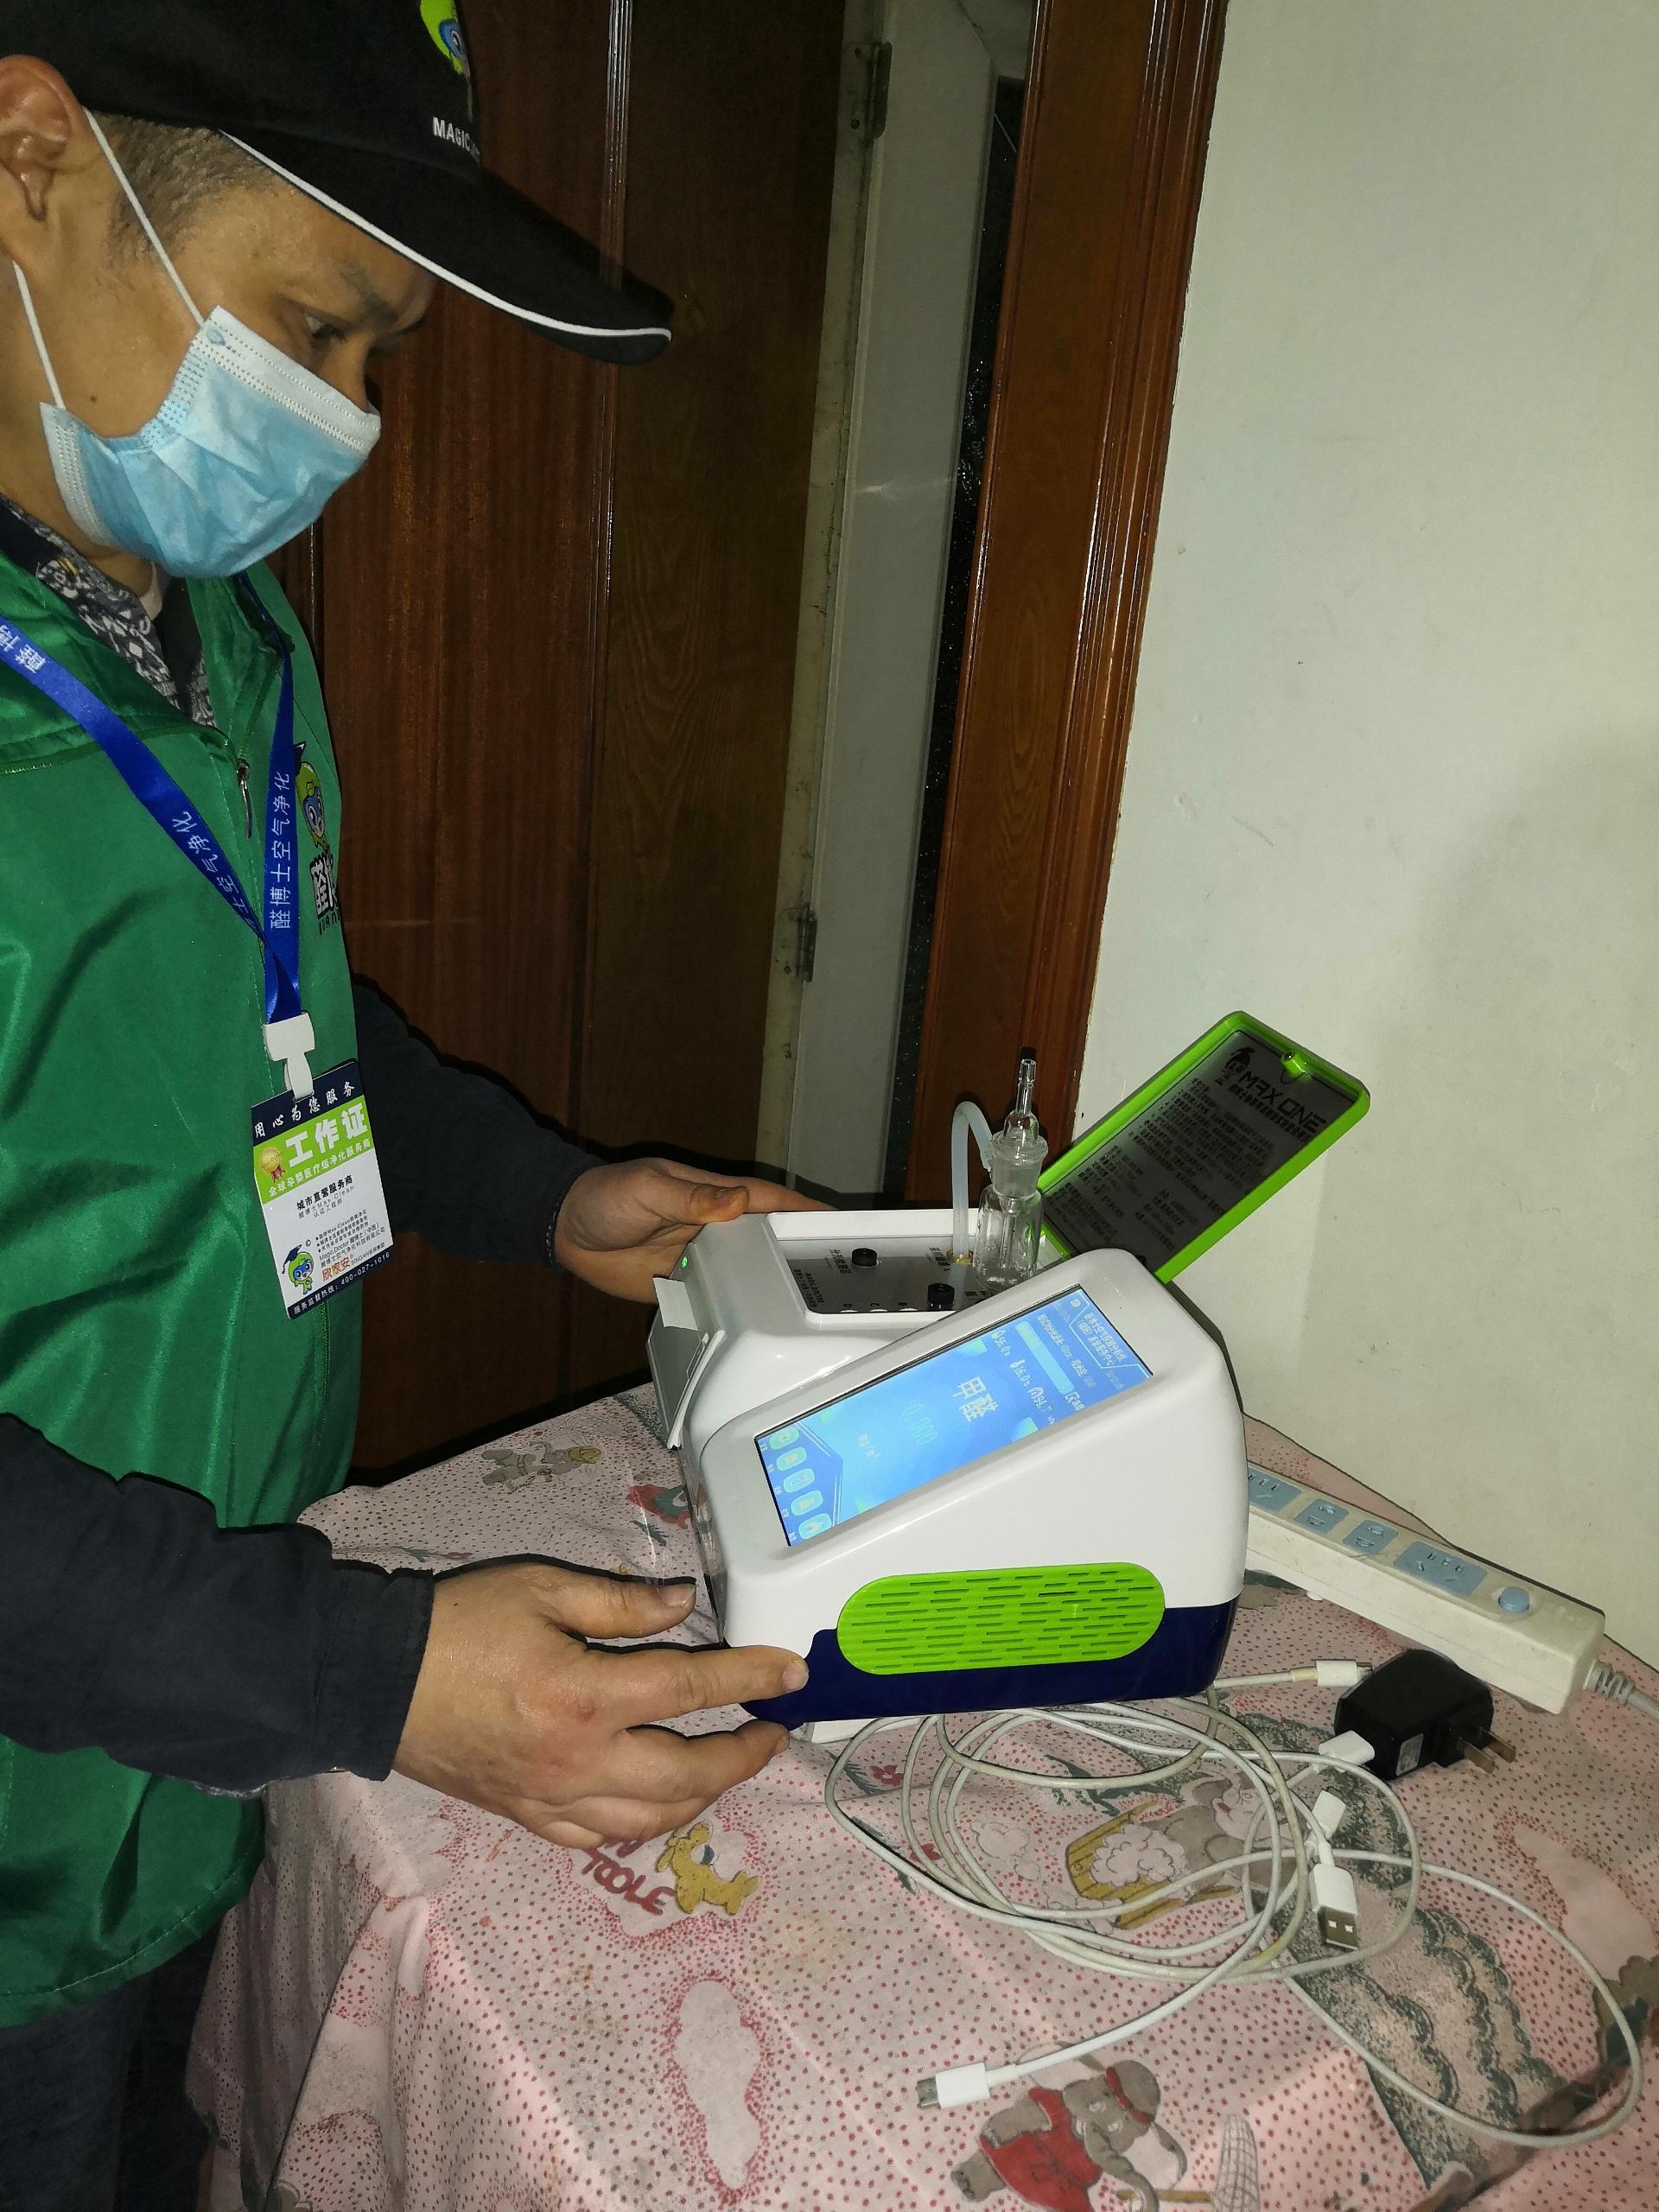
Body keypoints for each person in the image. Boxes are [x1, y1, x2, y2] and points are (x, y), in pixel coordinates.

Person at [0, 4, 817, 2203]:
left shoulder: (223, 634)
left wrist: (543, 1189)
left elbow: (265, 1021)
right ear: (35, 158)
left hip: (199, 1723)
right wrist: (369, 1669)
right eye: (313, 329)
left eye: (380, 357)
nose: (351, 420)